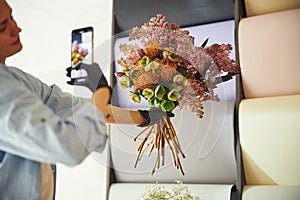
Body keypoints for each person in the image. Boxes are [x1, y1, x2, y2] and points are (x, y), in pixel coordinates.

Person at [0, 0, 173, 199]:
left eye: (12, 17)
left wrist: (145, 117)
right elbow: (68, 147)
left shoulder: (16, 79)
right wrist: (100, 89)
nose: (17, 29)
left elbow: (81, 110)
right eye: (3, 26)